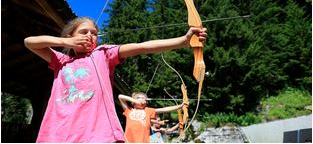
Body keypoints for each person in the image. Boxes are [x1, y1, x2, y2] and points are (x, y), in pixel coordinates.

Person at [24, 16, 207, 143]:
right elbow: (29, 42)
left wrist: (183, 41)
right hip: (57, 132)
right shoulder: (61, 61)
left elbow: (142, 47)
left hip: (96, 134)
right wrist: (65, 43)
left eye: (94, 33)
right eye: (83, 31)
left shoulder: (103, 54)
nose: (90, 35)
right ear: (70, 36)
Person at [118, 92, 187, 143]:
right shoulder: (128, 110)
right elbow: (120, 96)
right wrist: (135, 100)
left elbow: (164, 109)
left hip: (143, 141)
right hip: (129, 140)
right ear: (133, 102)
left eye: (144, 99)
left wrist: (180, 106)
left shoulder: (148, 110)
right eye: (139, 98)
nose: (143, 100)